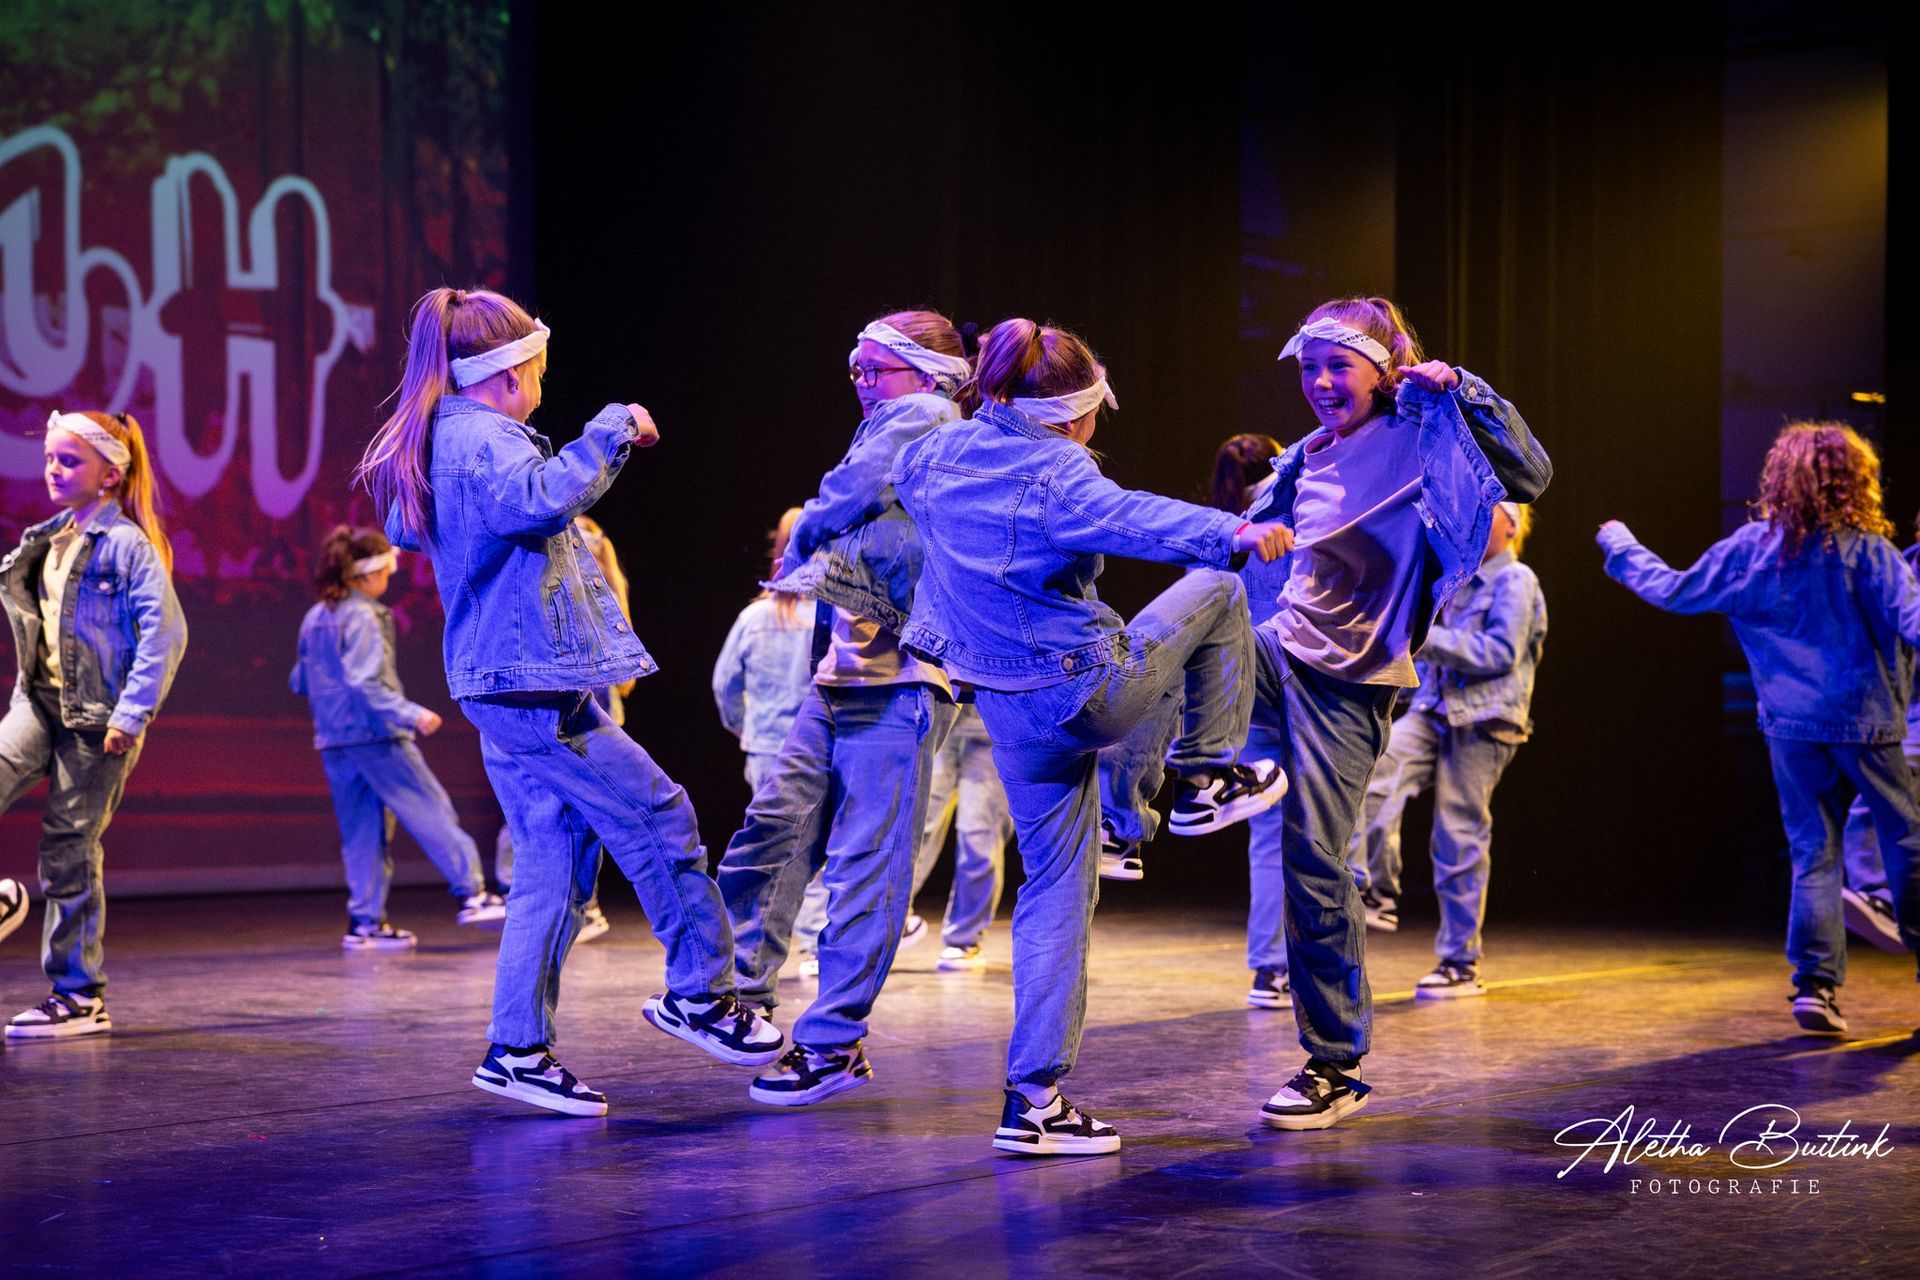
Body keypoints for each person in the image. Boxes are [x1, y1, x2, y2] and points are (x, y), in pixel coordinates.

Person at [357, 287, 780, 1117]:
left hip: (510, 681)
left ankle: (517, 1048)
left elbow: (421, 530)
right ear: (514, 372)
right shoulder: (482, 438)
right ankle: (700, 991)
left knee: (549, 864)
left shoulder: (445, 437)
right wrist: (612, 427)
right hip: (527, 685)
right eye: (540, 367)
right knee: (660, 815)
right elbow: (535, 500)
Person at [896, 318, 1290, 1156]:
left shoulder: (928, 457)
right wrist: (1233, 532)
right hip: (1080, 691)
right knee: (1217, 592)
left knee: (1055, 896)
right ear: (1075, 413)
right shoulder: (1058, 469)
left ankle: (1033, 1103)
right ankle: (1208, 779)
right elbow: (1134, 516)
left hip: (1006, 707)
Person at [1244, 297, 1550, 1130]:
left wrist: (1462, 391)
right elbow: (1253, 550)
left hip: (1355, 683)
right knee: (1196, 623)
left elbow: (1527, 476)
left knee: (1316, 866)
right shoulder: (1307, 457)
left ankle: (1332, 1065)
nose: (1318, 383)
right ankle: (1184, 787)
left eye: (1336, 365)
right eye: (1308, 368)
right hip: (1284, 649)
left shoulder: (1425, 436)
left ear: (1385, 368)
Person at [715, 311, 969, 1107]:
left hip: (902, 681)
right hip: (841, 676)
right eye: (853, 371)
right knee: (772, 831)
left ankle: (832, 1042)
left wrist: (801, 546)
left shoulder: (925, 417)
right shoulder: (894, 426)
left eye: (873, 370)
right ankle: (742, 997)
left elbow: (846, 497)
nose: (859, 385)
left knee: (865, 866)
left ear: (925, 373)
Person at [1599, 422, 1920, 1035]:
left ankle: (1816, 987)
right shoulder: (1869, 551)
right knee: (1904, 847)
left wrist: (1620, 543)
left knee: (1812, 854)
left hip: (1791, 727)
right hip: (1867, 724)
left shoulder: (1752, 549)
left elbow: (1673, 590)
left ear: (1781, 477)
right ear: (1856, 481)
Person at [0, 410, 188, 1038]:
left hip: (98, 719)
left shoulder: (127, 544)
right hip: (38, 701)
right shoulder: (47, 536)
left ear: (110, 475)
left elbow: (165, 632)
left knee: (69, 845)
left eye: (69, 460)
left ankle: (79, 994)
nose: (53, 469)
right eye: (50, 458)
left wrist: (133, 713)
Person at [1344, 501, 1546, 996]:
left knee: (1457, 831)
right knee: (1375, 777)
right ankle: (1376, 891)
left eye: (1489, 510)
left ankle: (1461, 961)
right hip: (1434, 709)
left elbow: (1500, 654)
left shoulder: (1515, 581)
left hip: (1485, 716)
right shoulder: (1455, 576)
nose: (1474, 518)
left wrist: (1425, 636)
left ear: (1512, 524)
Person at [293, 525, 504, 949]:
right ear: (368, 573)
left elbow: (301, 680)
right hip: (377, 736)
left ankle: (365, 922)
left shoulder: (316, 617)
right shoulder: (365, 615)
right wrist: (411, 714)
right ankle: (473, 893)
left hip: (335, 740)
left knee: (362, 832)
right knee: (429, 809)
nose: (390, 578)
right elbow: (365, 682)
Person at [490, 513, 634, 944]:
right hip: (568, 708)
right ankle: (553, 897)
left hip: (580, 710)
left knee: (575, 808)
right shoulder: (583, 593)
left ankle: (583, 903)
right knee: (553, 808)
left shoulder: (584, 596)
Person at [710, 508, 822, 972]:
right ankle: (816, 943)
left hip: (766, 747)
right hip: (817, 745)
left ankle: (753, 949)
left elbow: (723, 683)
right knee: (817, 845)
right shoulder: (831, 617)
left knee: (771, 845)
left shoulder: (755, 617)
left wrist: (742, 723)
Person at [907, 703, 1013, 970]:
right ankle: (887, 923)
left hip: (994, 727)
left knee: (979, 836)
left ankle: (964, 939)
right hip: (939, 718)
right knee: (914, 828)